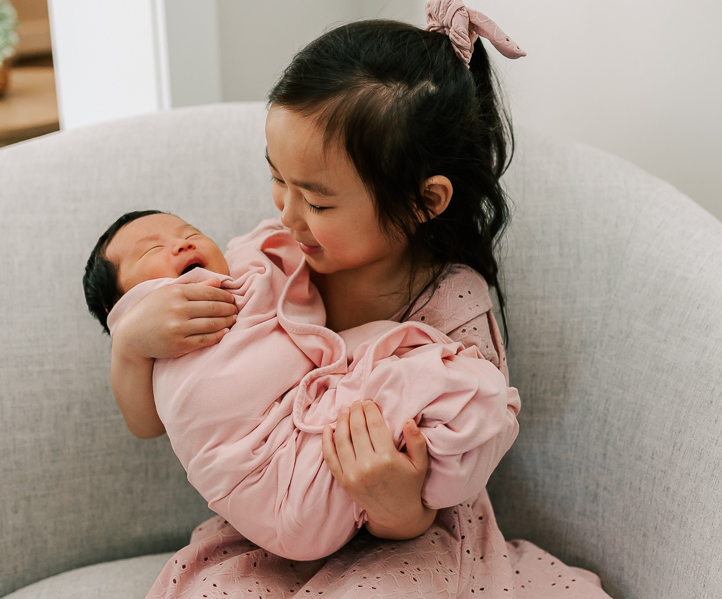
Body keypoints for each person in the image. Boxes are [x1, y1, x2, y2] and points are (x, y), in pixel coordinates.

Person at [116, 0, 617, 599]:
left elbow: (458, 460)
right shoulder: (268, 267)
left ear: (425, 200)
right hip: (273, 529)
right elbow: (157, 414)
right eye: (276, 178)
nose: (286, 212)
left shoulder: (453, 308)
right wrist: (131, 344)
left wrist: (394, 502)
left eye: (316, 200)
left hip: (405, 542)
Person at [83, 210, 519, 561]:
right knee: (458, 388)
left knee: (445, 386)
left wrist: (406, 507)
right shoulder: (155, 337)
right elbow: (145, 422)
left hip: (327, 460)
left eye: (190, 232)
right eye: (152, 251)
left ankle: (440, 477)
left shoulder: (257, 270)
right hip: (268, 484)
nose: (181, 243)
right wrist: (128, 339)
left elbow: (272, 249)